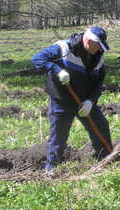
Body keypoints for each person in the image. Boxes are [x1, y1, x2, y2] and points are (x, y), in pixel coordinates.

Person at [32, 26, 113, 171]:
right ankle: (52, 170)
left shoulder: (99, 57)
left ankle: (107, 161)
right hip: (61, 100)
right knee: (58, 137)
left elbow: (99, 83)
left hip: (84, 102)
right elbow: (37, 59)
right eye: (98, 46)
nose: (100, 50)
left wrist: (90, 101)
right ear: (88, 41)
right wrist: (57, 71)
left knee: (101, 126)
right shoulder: (63, 49)